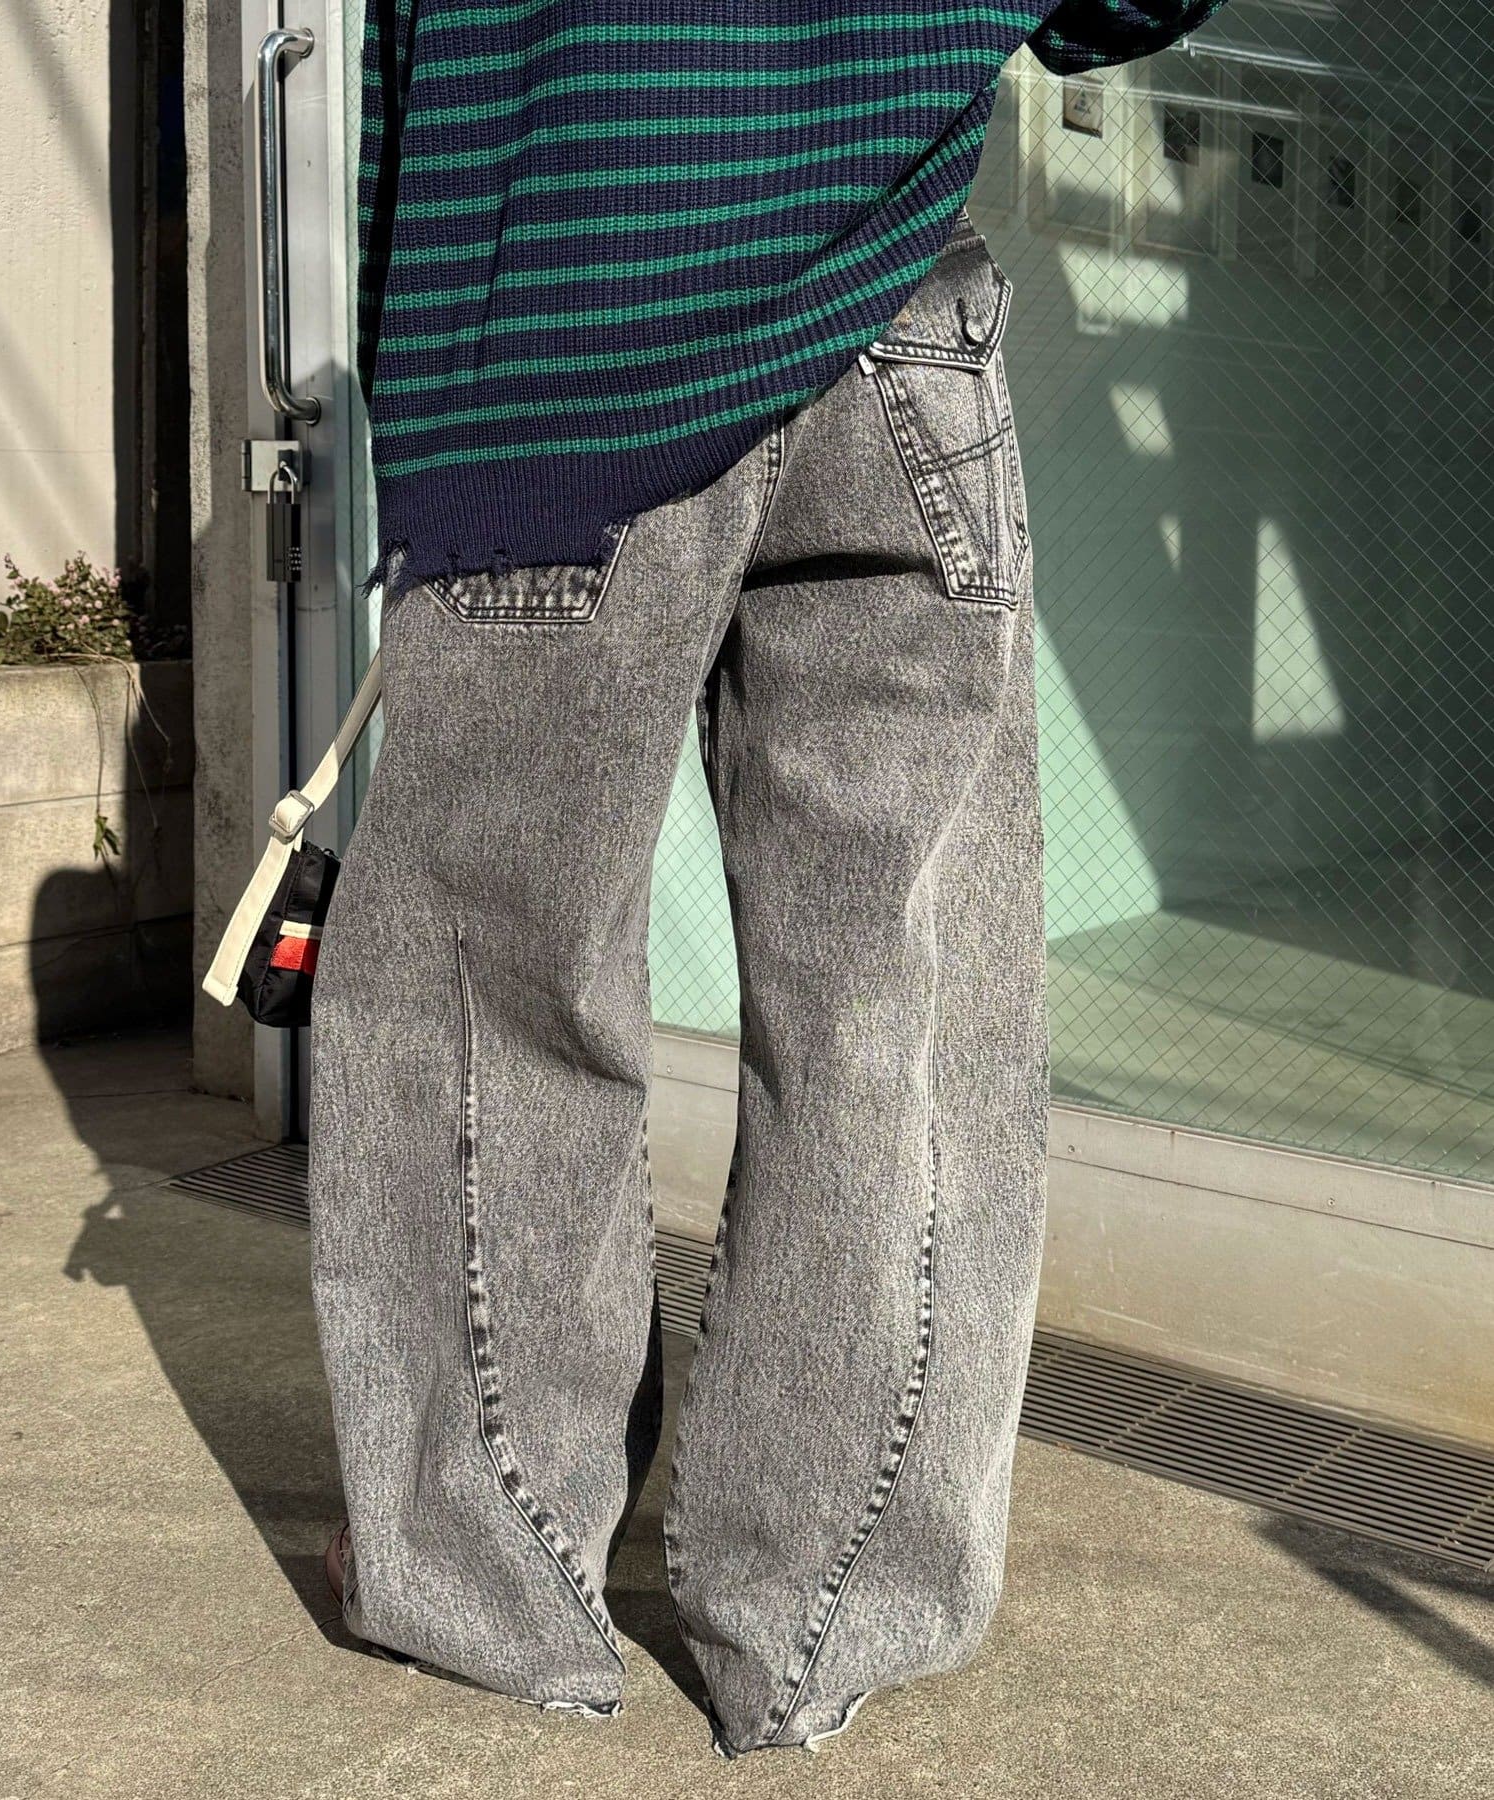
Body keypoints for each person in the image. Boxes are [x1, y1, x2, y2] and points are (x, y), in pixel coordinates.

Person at [309, 0, 1233, 1760]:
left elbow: (408, 53)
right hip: (894, 310)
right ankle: (827, 1611)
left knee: (488, 983)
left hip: (571, 285)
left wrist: (422, 393)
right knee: (894, 1004)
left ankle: (489, 1579)